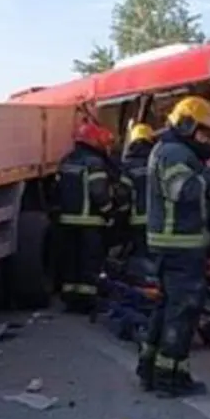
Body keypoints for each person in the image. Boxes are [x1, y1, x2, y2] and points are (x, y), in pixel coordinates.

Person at [135, 96, 210, 397]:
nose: (207, 140)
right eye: (204, 133)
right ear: (187, 126)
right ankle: (170, 379)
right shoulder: (173, 153)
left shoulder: (172, 150)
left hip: (172, 247)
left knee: (166, 310)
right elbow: (183, 190)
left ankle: (150, 369)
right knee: (182, 313)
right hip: (179, 247)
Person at [53, 121, 116, 313]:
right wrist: (109, 211)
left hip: (66, 222)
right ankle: (87, 302)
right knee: (89, 264)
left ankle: (70, 299)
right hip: (90, 223)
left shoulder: (66, 161)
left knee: (70, 264)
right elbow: (99, 192)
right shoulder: (94, 163)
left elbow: (55, 191)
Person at [120, 123, 156, 271]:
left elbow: (123, 194)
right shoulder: (158, 162)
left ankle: (146, 285)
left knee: (140, 254)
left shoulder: (127, 166)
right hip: (160, 219)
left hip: (137, 219)